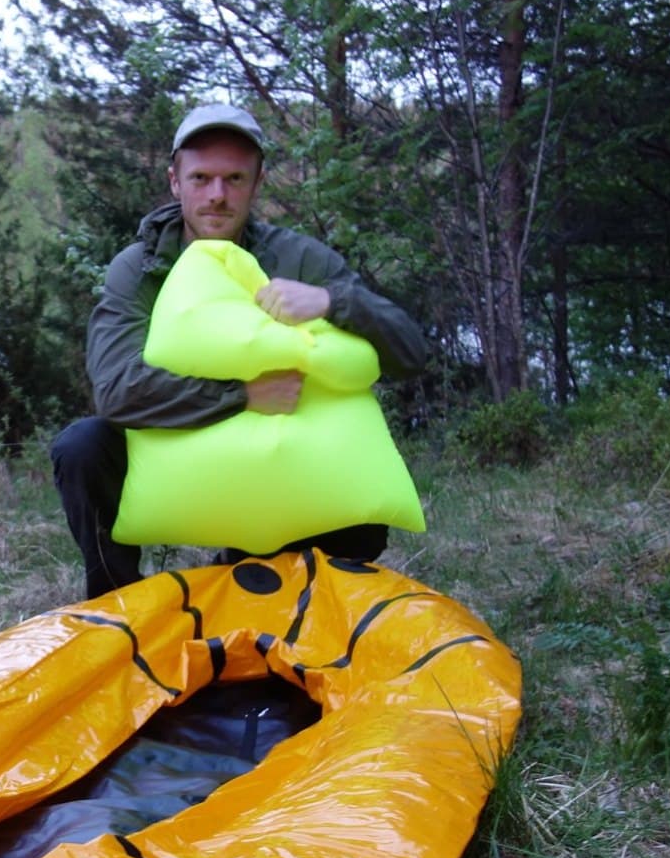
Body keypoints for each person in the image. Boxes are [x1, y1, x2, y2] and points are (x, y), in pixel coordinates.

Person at [50, 102, 428, 598]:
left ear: (257, 183)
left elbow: (412, 354)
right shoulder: (139, 269)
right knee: (81, 447)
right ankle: (116, 607)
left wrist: (334, 301)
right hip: (177, 445)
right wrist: (242, 394)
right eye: (201, 177)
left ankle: (258, 578)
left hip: (272, 458)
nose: (217, 196)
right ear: (174, 181)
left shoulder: (295, 257)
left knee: (356, 521)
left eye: (234, 179)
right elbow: (118, 393)